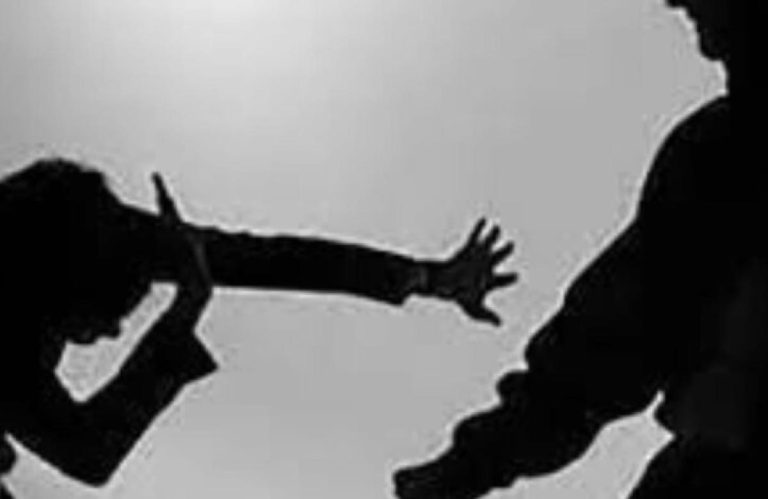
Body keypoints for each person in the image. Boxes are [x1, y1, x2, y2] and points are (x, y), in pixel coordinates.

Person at [393, 1, 768, 497]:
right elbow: (616, 339)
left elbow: (615, 342)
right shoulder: (718, 150)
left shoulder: (723, 152)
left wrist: (474, 462)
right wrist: (477, 460)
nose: (674, 2)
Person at [0, 158, 517, 497]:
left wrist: (430, 278)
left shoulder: (118, 235)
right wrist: (186, 309)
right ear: (57, 283)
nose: (113, 334)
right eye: (102, 317)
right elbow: (87, 453)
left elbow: (272, 260)